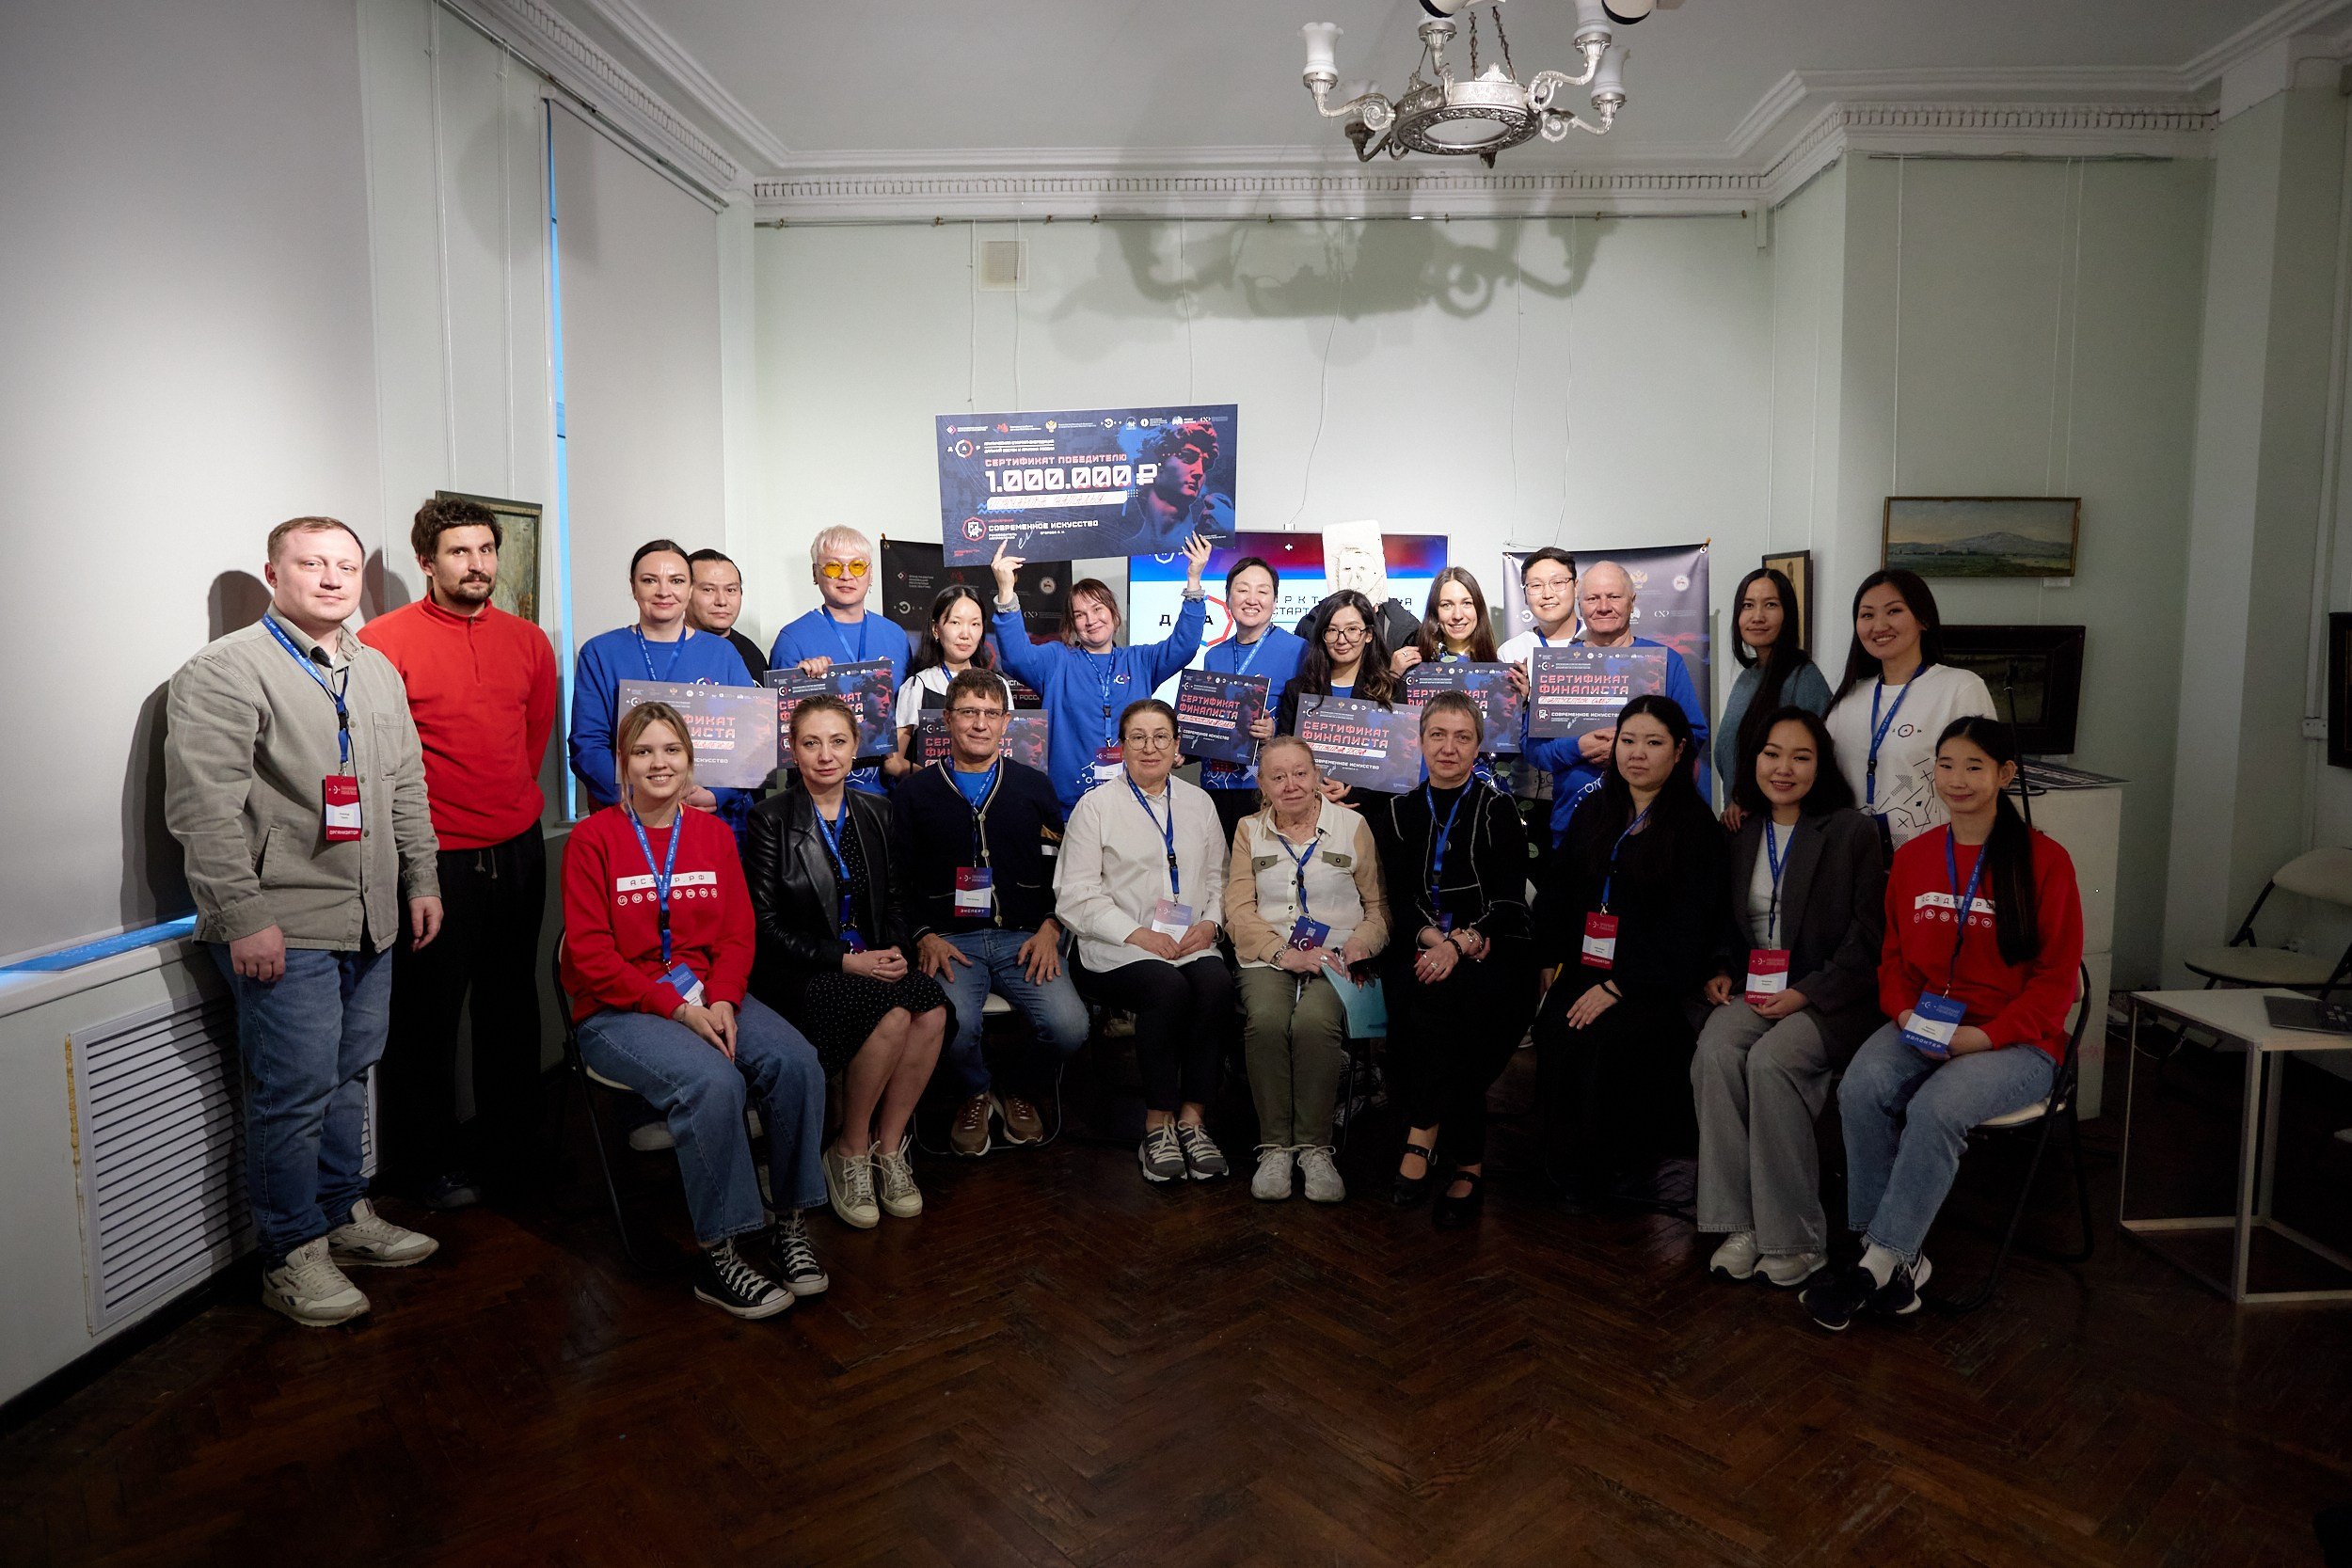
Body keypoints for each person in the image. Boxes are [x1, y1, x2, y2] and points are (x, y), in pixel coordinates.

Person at [165, 516, 445, 1327]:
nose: (332, 578)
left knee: (351, 1073)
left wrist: (420, 877)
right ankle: (291, 1252)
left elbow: (406, 786)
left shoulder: (377, 671)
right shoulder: (224, 673)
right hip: (283, 922)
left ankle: (339, 1212)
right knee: (290, 1091)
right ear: (273, 574)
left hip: (372, 916)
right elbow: (202, 811)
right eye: (312, 564)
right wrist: (241, 915)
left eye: (346, 565)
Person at [1804, 717, 2084, 1330]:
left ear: (2006, 775)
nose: (1957, 780)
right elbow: (1896, 959)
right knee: (1860, 1086)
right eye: (1947, 764)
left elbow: (2056, 983)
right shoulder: (1915, 857)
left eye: (1975, 766)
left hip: (2020, 1041)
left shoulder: (2045, 861)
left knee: (1936, 1106)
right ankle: (1892, 1258)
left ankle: (1873, 1263)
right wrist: (1905, 1012)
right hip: (1928, 1019)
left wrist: (1982, 1037)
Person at [561, 702, 831, 1317]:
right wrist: (680, 1011)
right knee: (713, 1081)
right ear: (623, 763)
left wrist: (726, 1000)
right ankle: (722, 1250)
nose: (658, 762)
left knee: (796, 1062)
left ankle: (788, 1220)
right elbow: (591, 955)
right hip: (616, 1009)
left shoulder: (711, 834)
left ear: (689, 759)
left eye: (670, 750)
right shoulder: (592, 839)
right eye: (643, 751)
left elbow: (738, 936)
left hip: (710, 995)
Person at [358, 495, 559, 1212]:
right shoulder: (382, 640)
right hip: (434, 858)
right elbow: (380, 760)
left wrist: (505, 811)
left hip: (518, 846)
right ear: (426, 561)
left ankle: (512, 1150)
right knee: (426, 1019)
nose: (477, 566)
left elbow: (532, 742)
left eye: (485, 550)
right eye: (459, 552)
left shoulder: (530, 642)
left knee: (513, 1007)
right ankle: (426, 1166)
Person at [1692, 708, 1883, 1289]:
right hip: (1757, 987)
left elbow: (1868, 938)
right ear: (1755, 761)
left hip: (1832, 996)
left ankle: (1798, 1237)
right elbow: (1726, 921)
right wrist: (1722, 968)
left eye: (1801, 757)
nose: (1784, 768)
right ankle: (1739, 1223)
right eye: (1773, 754)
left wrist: (1805, 993)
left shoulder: (1851, 831)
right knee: (1716, 1052)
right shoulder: (1739, 829)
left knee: (1772, 1062)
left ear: (1821, 765)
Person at [747, 696, 950, 1229]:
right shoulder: (769, 818)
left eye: (837, 742)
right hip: (804, 971)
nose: (825, 756)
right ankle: (849, 1150)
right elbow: (765, 929)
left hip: (872, 961)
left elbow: (899, 902)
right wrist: (847, 960)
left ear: (856, 747)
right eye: (810, 743)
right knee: (890, 1015)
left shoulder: (878, 811)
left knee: (930, 1009)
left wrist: (894, 953)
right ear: (792, 750)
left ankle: (889, 1147)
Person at [1532, 694, 1728, 1205]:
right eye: (1628, 740)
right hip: (1585, 964)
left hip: (1651, 980)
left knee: (1607, 1036)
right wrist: (1548, 960)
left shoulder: (1694, 826)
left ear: (1680, 750)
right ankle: (1564, 1166)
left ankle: (1620, 1170)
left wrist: (1620, 986)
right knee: (1555, 1024)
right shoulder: (1595, 809)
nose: (1637, 753)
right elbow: (1560, 889)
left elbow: (1691, 929)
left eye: (1654, 743)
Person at [895, 670, 1089, 1156]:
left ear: (1006, 722)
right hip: (948, 944)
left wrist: (1053, 926)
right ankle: (975, 1090)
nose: (979, 724)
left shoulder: (1034, 787)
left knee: (1071, 1028)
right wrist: (922, 935)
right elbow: (896, 880)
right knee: (954, 1028)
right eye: (968, 712)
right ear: (947, 720)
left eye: (990, 714)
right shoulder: (915, 793)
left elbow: (1062, 870)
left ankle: (1019, 1088)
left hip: (1025, 939)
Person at [1366, 691, 1536, 1229]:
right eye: (1437, 735)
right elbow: (1398, 894)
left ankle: (1423, 1134)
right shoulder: (1396, 811)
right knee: (1424, 1000)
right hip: (1418, 945)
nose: (1448, 747)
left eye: (1462, 737)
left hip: (1491, 948)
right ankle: (1468, 1162)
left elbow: (1509, 901)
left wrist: (1461, 943)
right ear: (1419, 741)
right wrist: (1431, 942)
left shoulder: (1499, 808)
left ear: (1478, 746)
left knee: (1461, 1008)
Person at [1055, 698, 1234, 1184]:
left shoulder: (1199, 804)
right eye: (1138, 737)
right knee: (1167, 989)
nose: (1150, 747)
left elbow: (1222, 879)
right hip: (1116, 946)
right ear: (1121, 746)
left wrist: (1212, 925)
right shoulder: (1096, 808)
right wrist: (1138, 935)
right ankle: (1157, 1122)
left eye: (1161, 737)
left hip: (1190, 939)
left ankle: (1194, 1119)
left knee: (1216, 986)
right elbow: (1074, 896)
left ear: (1177, 746)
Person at [1225, 736, 1389, 1203]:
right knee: (1269, 1021)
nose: (1290, 785)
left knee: (1315, 1023)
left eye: (1300, 773)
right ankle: (1276, 1147)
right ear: (1262, 784)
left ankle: (1316, 1149)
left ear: (1318, 776)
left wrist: (1360, 944)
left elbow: (1377, 908)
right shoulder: (1247, 830)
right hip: (1268, 954)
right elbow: (1238, 910)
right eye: (1277, 776)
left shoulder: (1353, 825)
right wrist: (1283, 953)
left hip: (1338, 956)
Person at [989, 535, 1211, 811]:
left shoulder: (1139, 660)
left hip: (1134, 800)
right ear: (1072, 624)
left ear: (1114, 614)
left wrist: (1193, 580)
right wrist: (1006, 591)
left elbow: (1184, 645)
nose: (1091, 620)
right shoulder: (1058, 659)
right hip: (1071, 805)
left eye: (1097, 609)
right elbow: (1017, 657)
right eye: (1080, 614)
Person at [568, 539, 757, 834]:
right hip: (629, 820)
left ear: (690, 588)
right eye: (649, 580)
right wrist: (639, 799)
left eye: (676, 580)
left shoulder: (723, 653)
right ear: (633, 587)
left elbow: (753, 742)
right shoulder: (601, 653)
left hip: (711, 821)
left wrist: (717, 795)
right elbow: (587, 746)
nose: (664, 591)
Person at [1523, 560, 1711, 848]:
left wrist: (1632, 749)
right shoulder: (1557, 665)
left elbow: (1693, 737)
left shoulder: (1665, 661)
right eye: (1592, 598)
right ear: (1579, 602)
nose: (1603, 607)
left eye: (1614, 597)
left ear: (1632, 601)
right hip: (1573, 829)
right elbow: (1534, 750)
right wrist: (1578, 747)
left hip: (1652, 829)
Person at [1822, 569, 1995, 852]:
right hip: (1856, 861)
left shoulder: (1959, 688)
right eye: (1867, 615)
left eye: (1893, 611)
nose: (1879, 625)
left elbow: (1984, 784)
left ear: (1923, 619)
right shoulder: (1849, 699)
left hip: (1934, 861)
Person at [769, 525, 904, 797]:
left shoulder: (895, 635)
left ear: (870, 574)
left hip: (886, 794)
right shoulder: (793, 638)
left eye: (856, 566)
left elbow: (905, 714)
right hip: (816, 796)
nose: (845, 576)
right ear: (815, 574)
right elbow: (782, 732)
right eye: (832, 567)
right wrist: (798, 684)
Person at [1198, 555, 1311, 841]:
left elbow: (1310, 722)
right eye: (1242, 589)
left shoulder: (1300, 651)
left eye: (1262, 591)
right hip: (1217, 785)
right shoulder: (1214, 656)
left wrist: (1278, 732)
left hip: (1270, 788)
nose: (1252, 599)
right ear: (1227, 598)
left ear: (1275, 601)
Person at [1715, 566, 1831, 828]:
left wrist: (1750, 801)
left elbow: (1815, 763)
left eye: (1770, 605)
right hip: (1740, 824)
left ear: (1787, 615)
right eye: (1748, 605)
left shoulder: (1805, 679)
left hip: (1786, 825)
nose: (1757, 616)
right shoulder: (1747, 679)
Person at [1277, 588, 1405, 812]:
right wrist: (1314, 788)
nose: (1341, 640)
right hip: (1308, 811)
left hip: (1371, 814)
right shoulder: (1297, 691)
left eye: (1352, 630)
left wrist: (1350, 789)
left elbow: (1399, 766)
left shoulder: (1390, 691)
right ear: (1322, 635)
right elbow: (1285, 758)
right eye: (1332, 631)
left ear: (1368, 634)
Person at [888, 584, 1014, 781]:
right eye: (955, 622)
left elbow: (1010, 751)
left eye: (975, 624)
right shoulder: (918, 686)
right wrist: (939, 781)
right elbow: (893, 762)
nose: (965, 634)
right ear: (935, 629)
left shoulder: (998, 685)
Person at [1102, 419, 1234, 556]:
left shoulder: (1210, 550)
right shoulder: (1122, 550)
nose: (1200, 471)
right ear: (1156, 465)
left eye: (1205, 463)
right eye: (1188, 457)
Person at [1391, 563, 1502, 673]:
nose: (1458, 615)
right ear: (1435, 613)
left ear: (1478, 609)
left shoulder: (1499, 672)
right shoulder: (1414, 667)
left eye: (1466, 603)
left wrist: (1516, 690)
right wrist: (1394, 676)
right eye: (1447, 605)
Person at [687, 547, 767, 683]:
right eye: (708, 590)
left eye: (730, 590)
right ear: (685, 592)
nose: (722, 601)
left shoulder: (751, 653)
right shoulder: (666, 649)